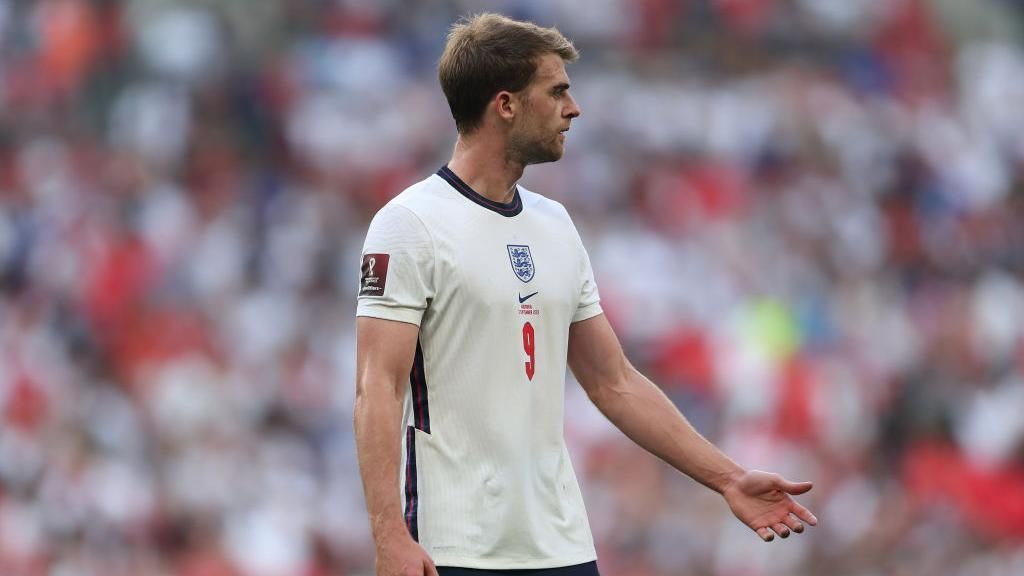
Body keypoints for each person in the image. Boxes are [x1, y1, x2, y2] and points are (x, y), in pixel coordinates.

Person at [353, 13, 817, 576]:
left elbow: (613, 381)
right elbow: (377, 387)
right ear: (506, 105)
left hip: (563, 547)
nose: (573, 109)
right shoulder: (409, 224)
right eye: (557, 92)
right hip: (452, 548)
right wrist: (389, 535)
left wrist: (727, 477)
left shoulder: (555, 224)